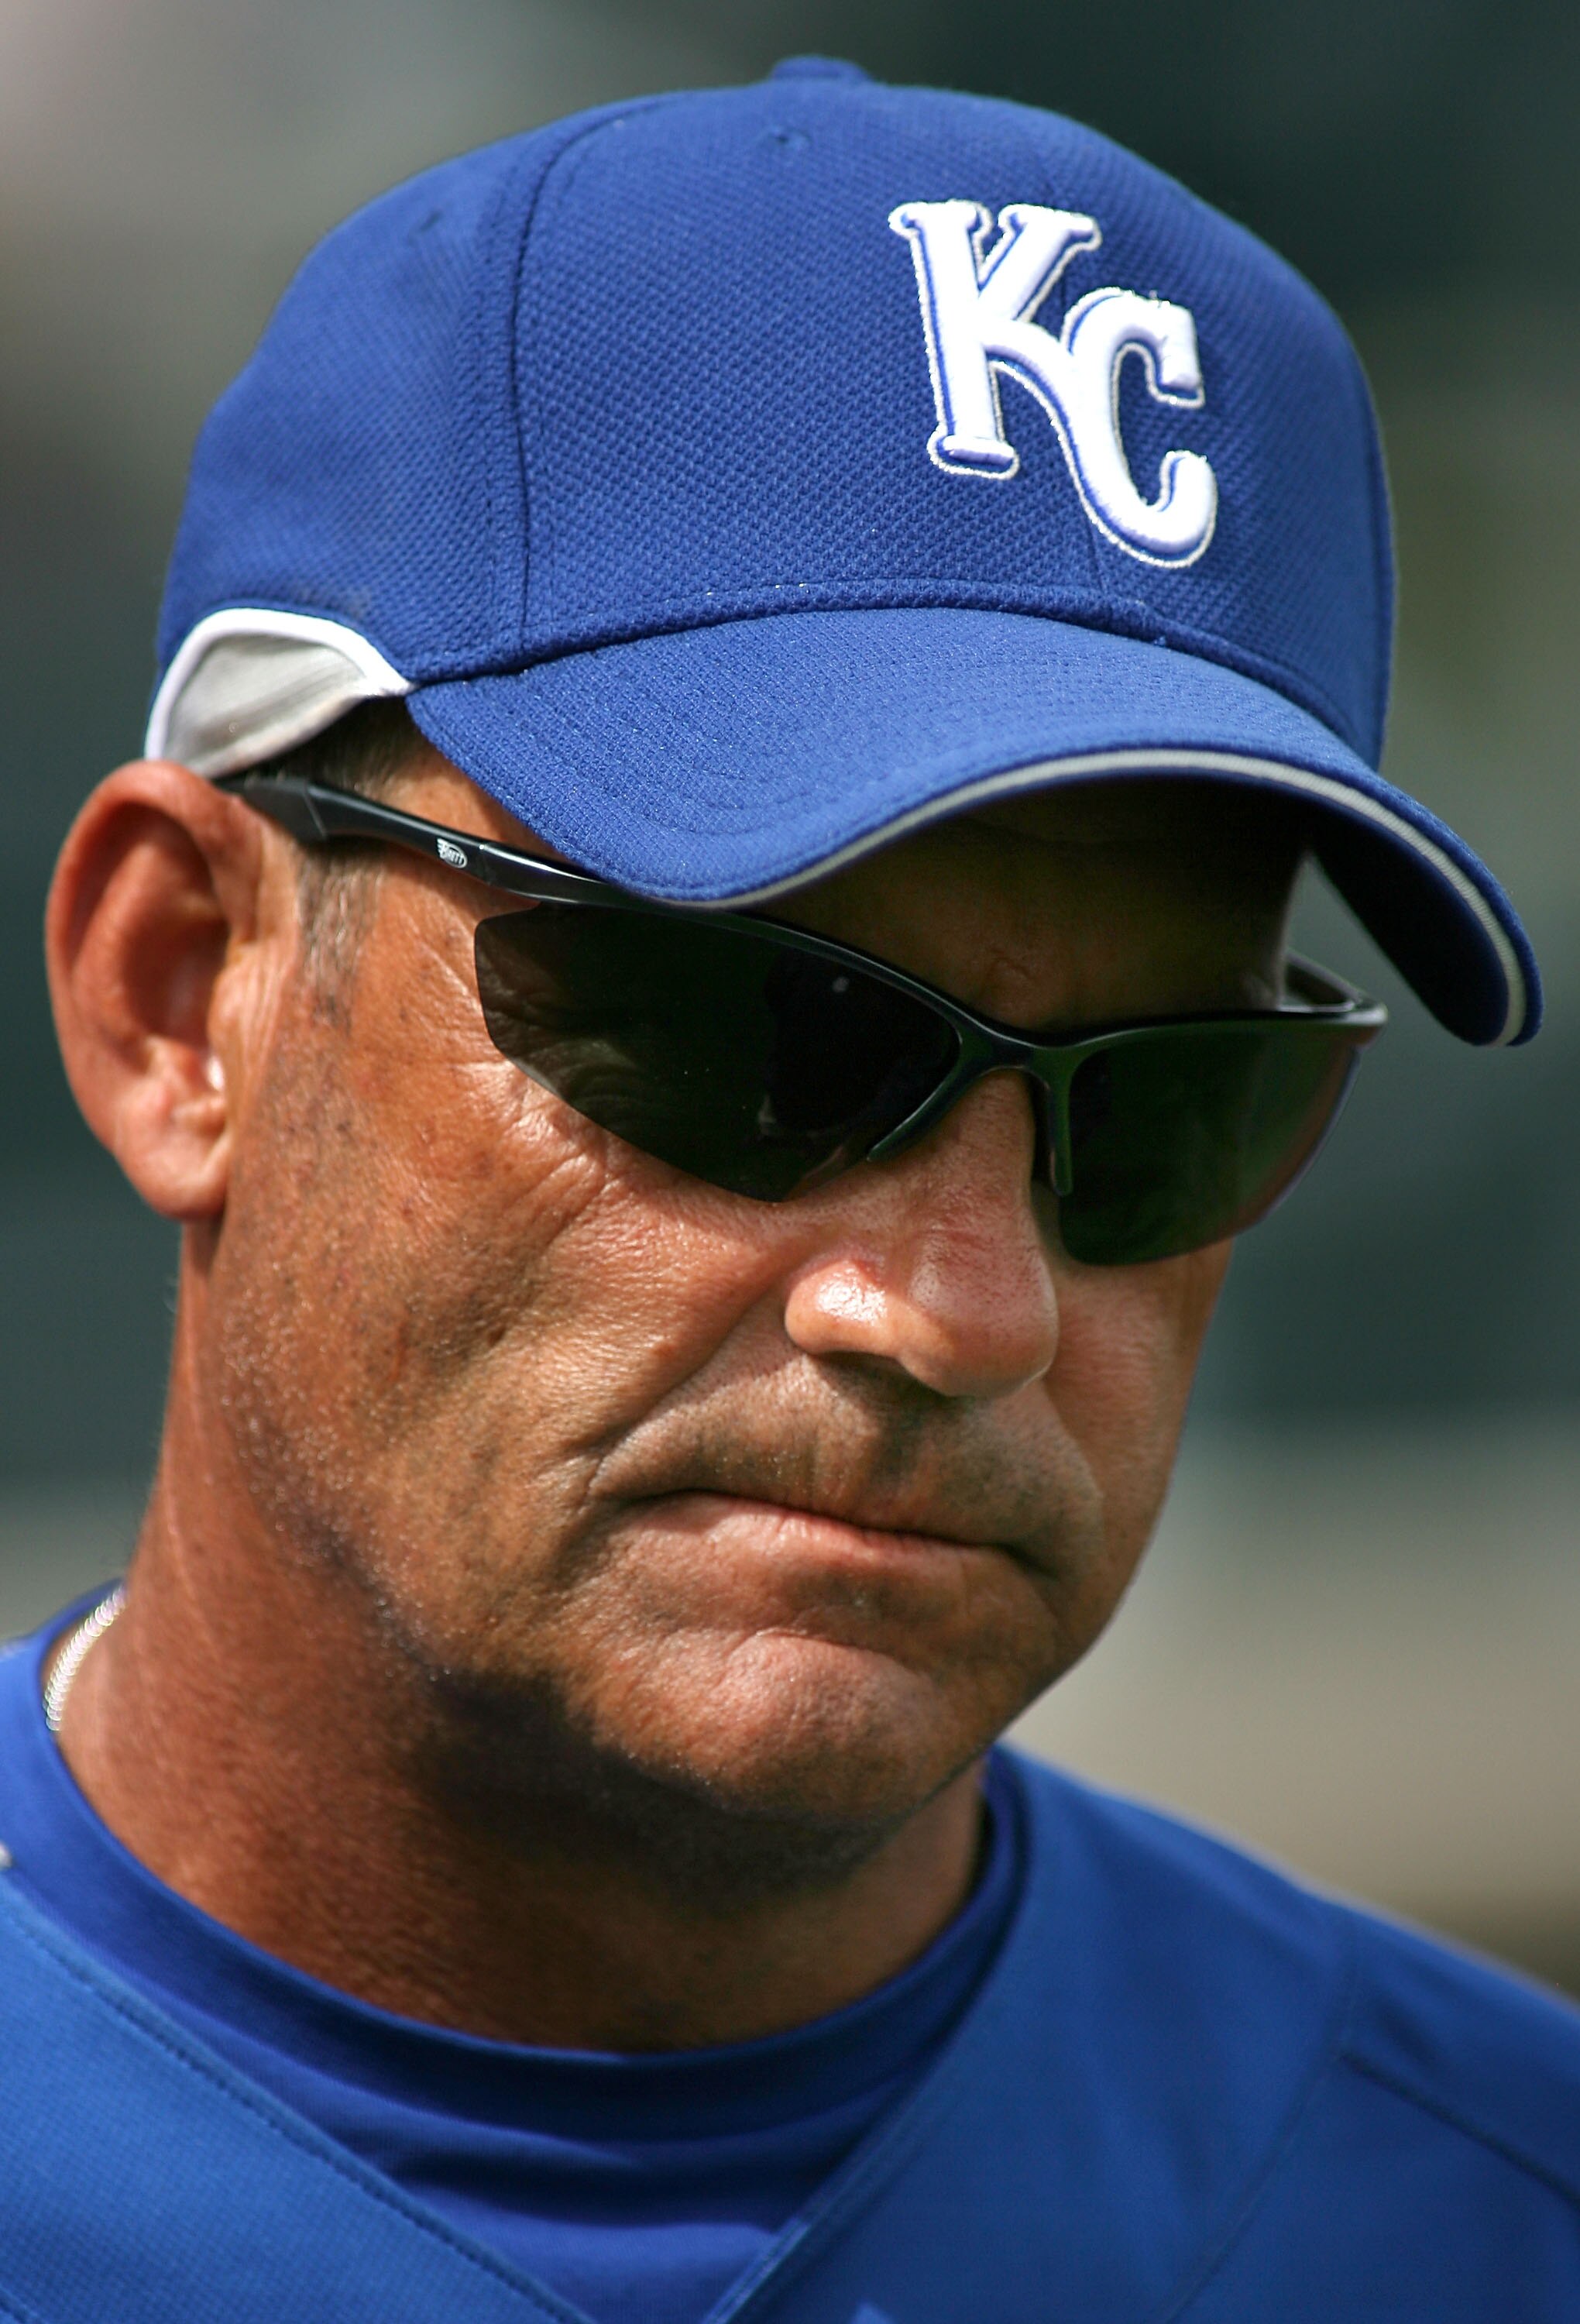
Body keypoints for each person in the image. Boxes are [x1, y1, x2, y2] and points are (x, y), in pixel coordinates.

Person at [0, 56, 1574, 2324]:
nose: (960, 1306)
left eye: (1170, 1098)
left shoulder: (1496, 2224)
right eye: (739, 1033)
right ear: (186, 996)